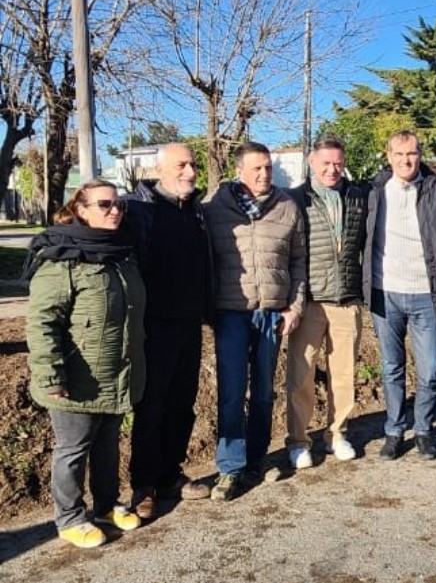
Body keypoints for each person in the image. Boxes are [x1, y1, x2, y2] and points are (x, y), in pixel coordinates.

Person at [26, 180, 146, 548]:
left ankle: (106, 506)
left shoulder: (120, 253)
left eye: (119, 206)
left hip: (115, 371)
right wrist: (50, 374)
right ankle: (70, 517)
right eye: (105, 205)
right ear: (81, 209)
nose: (115, 211)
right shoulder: (62, 257)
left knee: (108, 444)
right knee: (73, 449)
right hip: (76, 378)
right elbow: (41, 321)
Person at [204, 142, 306, 500]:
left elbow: (298, 261)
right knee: (232, 392)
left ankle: (256, 459)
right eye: (256, 169)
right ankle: (230, 468)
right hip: (231, 311)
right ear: (239, 172)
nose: (264, 175)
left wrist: (294, 306)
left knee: (263, 390)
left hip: (272, 313)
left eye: (268, 168)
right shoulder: (213, 210)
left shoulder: (287, 207)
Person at [126, 143, 213, 520]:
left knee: (183, 403)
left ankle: (169, 474)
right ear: (160, 169)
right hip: (152, 327)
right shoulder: (139, 210)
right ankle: (143, 484)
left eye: (193, 164)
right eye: (181, 165)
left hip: (189, 323)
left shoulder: (195, 211)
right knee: (152, 406)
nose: (190, 171)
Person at [364, 130, 436, 461]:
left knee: (430, 370)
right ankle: (394, 431)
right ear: (389, 156)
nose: (407, 160)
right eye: (400, 154)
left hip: (426, 296)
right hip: (385, 293)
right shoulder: (373, 192)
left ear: (421, 156)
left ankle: (423, 430)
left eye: (413, 154)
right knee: (391, 368)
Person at [285, 135, 368, 468]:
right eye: (326, 163)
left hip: (346, 299)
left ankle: (337, 434)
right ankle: (298, 441)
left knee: (344, 373)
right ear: (311, 162)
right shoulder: (294, 199)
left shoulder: (357, 197)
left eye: (338, 163)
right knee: (301, 374)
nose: (333, 169)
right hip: (310, 300)